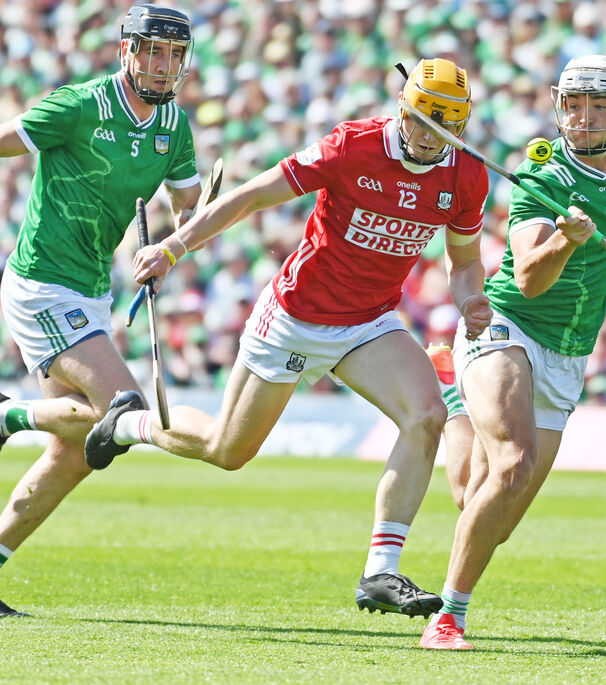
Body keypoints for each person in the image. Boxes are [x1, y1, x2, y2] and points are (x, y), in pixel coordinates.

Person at [84, 58, 493, 618]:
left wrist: (471, 298)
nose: (430, 136)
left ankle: (380, 573)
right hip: (296, 317)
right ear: (404, 107)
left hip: (369, 323)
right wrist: (175, 246)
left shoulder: (466, 175)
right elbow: (252, 195)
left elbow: (464, 261)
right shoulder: (353, 147)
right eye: (423, 120)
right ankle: (130, 424)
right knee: (227, 451)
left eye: (447, 125)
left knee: (426, 418)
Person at [417, 54, 606, 649]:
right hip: (510, 323)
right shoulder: (542, 177)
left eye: (596, 107)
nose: (582, 118)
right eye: (573, 105)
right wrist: (566, 237)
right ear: (558, 105)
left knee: (480, 505)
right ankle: (449, 617)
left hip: (570, 350)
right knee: (513, 465)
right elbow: (530, 279)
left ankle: (455, 394)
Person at [0, 4, 200, 617]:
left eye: (175, 55)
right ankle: (8, 417)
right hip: (43, 284)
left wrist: (169, 247)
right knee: (124, 413)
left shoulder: (174, 125)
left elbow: (189, 206)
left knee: (80, 451)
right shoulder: (77, 105)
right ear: (127, 50)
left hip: (91, 289)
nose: (165, 67)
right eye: (154, 52)